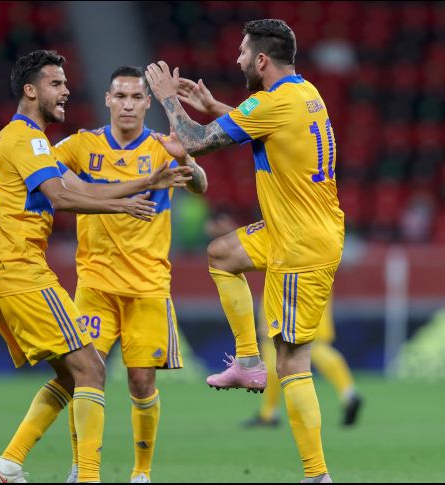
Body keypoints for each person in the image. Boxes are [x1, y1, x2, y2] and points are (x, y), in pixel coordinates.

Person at [0, 51, 192, 484]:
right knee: (90, 369)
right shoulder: (42, 141)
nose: (65, 91)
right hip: (29, 271)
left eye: (65, 83)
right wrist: (128, 195)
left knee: (84, 374)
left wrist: (147, 181)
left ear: (145, 102)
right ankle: (86, 475)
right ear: (31, 90)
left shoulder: (21, 137)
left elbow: (65, 191)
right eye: (56, 84)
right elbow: (61, 194)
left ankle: (10, 464)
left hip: (27, 271)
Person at [146, 19, 344, 484]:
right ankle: (247, 362)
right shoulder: (306, 94)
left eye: (241, 53)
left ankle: (317, 475)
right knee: (221, 254)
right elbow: (266, 124)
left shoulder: (272, 102)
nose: (235, 60)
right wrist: (216, 107)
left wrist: (167, 98)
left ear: (261, 61)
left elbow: (194, 141)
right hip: (292, 227)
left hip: (302, 244)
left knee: (294, 361)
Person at [53, 65, 208, 484]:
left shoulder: (163, 146)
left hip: (147, 287)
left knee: (141, 382)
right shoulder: (81, 146)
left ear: (146, 102)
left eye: (136, 97)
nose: (127, 104)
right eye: (119, 96)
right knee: (83, 374)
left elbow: (201, 185)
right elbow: (40, 168)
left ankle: (141, 473)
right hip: (95, 285)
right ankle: (81, 468)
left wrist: (189, 167)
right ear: (107, 100)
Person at [244, 291, 363, 429]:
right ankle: (348, 393)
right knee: (317, 344)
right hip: (316, 279)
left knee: (272, 342)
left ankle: (269, 412)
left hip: (282, 281)